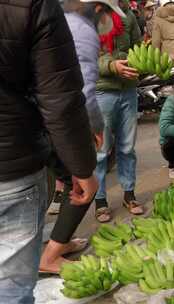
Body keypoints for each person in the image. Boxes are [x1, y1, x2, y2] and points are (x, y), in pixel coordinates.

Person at [0, 0, 98, 302]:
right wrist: (82, 169)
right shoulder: (33, 4)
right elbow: (60, 99)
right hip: (11, 165)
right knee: (11, 290)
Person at [40, 0, 125, 274]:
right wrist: (95, 126)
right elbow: (84, 88)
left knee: (57, 181)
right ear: (98, 8)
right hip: (56, 120)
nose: (110, 19)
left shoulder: (54, 19)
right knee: (84, 183)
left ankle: (58, 243)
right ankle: (51, 255)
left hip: (34, 118)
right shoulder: (83, 30)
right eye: (110, 12)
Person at [94, 0, 143, 222]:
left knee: (127, 146)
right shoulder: (91, 15)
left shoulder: (128, 15)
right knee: (101, 150)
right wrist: (112, 66)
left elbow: (137, 47)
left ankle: (129, 194)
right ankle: (101, 200)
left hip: (128, 90)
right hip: (103, 91)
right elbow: (86, 57)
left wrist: (140, 65)